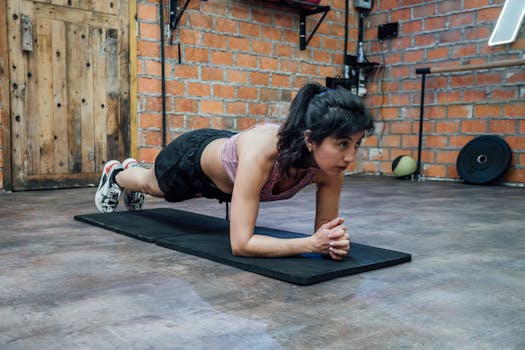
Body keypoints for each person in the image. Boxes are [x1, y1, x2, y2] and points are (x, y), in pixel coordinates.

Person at [95, 82, 374, 260]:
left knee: (153, 185)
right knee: (151, 185)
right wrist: (311, 245)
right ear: (310, 139)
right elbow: (241, 244)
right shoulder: (263, 154)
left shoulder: (330, 165)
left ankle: (130, 173)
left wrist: (332, 243)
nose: (351, 156)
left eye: (356, 144)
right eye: (341, 143)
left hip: (230, 158)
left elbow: (323, 234)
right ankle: (118, 173)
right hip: (193, 160)